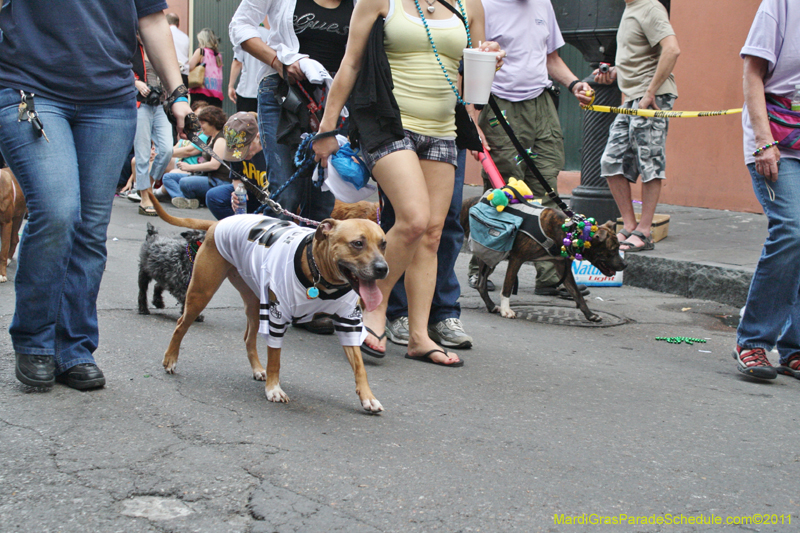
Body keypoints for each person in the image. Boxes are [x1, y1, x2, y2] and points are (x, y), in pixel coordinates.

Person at [0, 1, 192, 390]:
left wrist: (178, 92)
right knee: (57, 209)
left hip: (109, 100)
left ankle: (74, 347)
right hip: (30, 88)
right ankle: (35, 339)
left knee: (90, 227)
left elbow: (152, 19)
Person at [313, 0, 504, 366]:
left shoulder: (470, 5)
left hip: (443, 130)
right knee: (414, 219)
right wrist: (328, 127)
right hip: (387, 123)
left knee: (431, 234)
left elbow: (476, 66)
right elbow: (350, 63)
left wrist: (491, 65)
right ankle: (372, 310)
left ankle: (419, 336)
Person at [466, 0, 593, 298]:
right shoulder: (483, 6)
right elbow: (471, 64)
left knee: (547, 187)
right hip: (501, 104)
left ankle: (549, 274)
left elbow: (551, 57)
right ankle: (481, 268)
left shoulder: (542, 4)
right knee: (506, 193)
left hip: (542, 102)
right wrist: (473, 118)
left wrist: (574, 84)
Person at [230, 0, 352, 226]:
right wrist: (278, 62)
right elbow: (240, 25)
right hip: (282, 94)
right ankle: (270, 258)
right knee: (286, 193)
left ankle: (309, 261)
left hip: (333, 100)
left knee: (322, 200)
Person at [733, 0, 800, 380]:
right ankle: (753, 341)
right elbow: (752, 72)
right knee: (792, 228)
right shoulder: (780, 5)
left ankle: (795, 349)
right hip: (775, 138)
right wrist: (762, 140)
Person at [593, 0, 680, 253]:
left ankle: (644, 231)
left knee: (649, 162)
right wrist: (614, 72)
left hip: (650, 98)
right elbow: (636, 58)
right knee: (611, 161)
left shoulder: (650, 7)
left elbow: (672, 49)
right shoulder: (630, 8)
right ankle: (629, 227)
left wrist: (650, 93)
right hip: (631, 99)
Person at [384, 149, 473, 349]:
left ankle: (441, 313)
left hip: (447, 130)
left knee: (442, 225)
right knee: (408, 220)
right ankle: (395, 311)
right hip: (400, 129)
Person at [132, 35, 174, 216]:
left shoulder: (159, 47)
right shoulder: (131, 48)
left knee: (166, 150)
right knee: (142, 154)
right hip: (140, 104)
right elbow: (118, 69)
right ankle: (145, 197)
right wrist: (136, 82)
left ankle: (146, 186)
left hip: (160, 105)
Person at [162, 105, 228, 209]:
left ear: (213, 122)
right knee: (168, 177)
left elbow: (214, 165)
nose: (200, 126)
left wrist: (190, 167)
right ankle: (184, 200)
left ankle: (188, 199)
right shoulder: (209, 138)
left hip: (218, 180)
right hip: (206, 176)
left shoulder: (220, 139)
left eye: (202, 123)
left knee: (185, 182)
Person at [206, 112, 268, 219]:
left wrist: (267, 214)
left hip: (272, 198)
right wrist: (238, 192)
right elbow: (236, 177)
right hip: (252, 194)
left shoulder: (271, 154)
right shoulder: (237, 153)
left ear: (258, 136)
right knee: (214, 196)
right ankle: (238, 228)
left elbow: (286, 196)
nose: (240, 153)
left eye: (244, 149)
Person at [228, 24, 270, 113]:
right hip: (266, 90)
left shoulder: (245, 36)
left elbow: (237, 62)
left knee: (245, 124)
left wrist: (231, 85)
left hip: (246, 92)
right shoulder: (269, 35)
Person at [188, 28, 225, 108]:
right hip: (216, 94)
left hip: (201, 91)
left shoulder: (201, 51)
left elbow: (189, 67)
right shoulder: (218, 55)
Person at [167, 13, 190, 88]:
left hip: (169, 73)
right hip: (183, 74)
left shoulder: (166, 34)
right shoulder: (185, 37)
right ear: (178, 24)